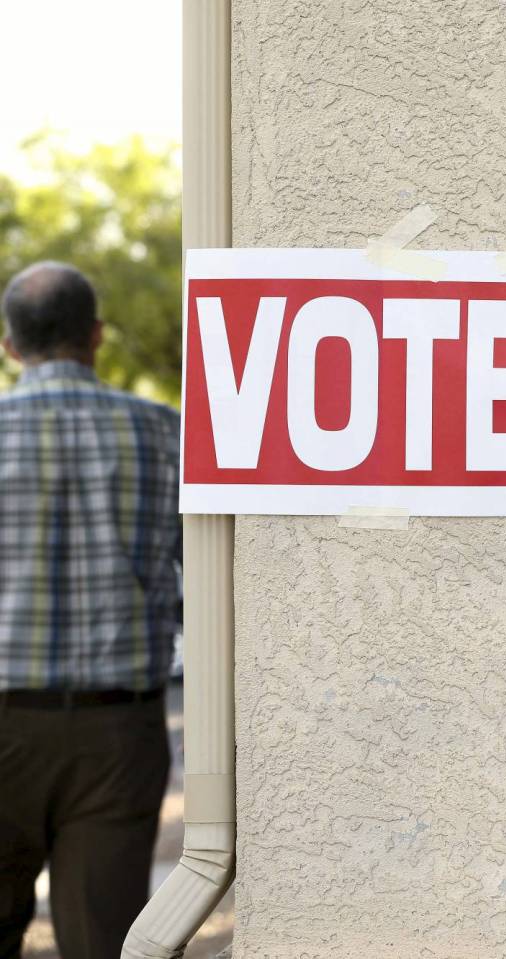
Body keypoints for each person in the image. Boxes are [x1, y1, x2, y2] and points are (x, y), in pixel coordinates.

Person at [0, 262, 181, 959]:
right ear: (97, 335)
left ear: (11, 346)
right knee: (106, 941)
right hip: (118, 732)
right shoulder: (166, 433)